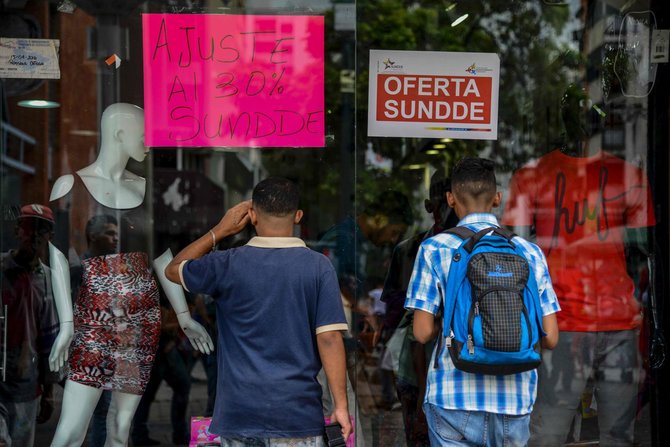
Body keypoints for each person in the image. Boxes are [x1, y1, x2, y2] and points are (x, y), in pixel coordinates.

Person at [46, 103, 213, 447]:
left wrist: (184, 317)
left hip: (141, 325)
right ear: (120, 134)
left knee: (121, 431)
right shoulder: (70, 184)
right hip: (93, 324)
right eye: (143, 135)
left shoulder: (147, 189)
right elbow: (59, 258)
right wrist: (66, 326)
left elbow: (162, 258)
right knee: (70, 431)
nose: (149, 144)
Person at [502, 85, 656, 446]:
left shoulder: (629, 178)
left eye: (593, 112)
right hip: (561, 322)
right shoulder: (532, 177)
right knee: (549, 435)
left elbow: (645, 255)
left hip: (619, 322)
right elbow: (515, 256)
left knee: (616, 435)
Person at [165, 177, 352, 446]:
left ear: (251, 215)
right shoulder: (318, 267)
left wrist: (220, 230)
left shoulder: (227, 264)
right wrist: (341, 406)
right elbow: (329, 338)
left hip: (238, 414)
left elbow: (173, 269)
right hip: (297, 415)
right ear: (298, 216)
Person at [405, 157, 560, 446]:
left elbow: (421, 332)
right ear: (497, 198)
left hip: (453, 396)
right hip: (514, 400)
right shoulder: (530, 252)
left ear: (450, 199)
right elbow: (550, 338)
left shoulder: (434, 248)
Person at [380, 170, 459, 447]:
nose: (444, 209)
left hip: (461, 374)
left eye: (447, 202)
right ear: (430, 205)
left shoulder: (480, 247)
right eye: (439, 201)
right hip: (417, 371)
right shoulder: (409, 250)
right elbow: (393, 316)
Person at [0, 204, 60, 447]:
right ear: (17, 230)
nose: (34, 234)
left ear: (49, 237)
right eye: (28, 227)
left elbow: (49, 338)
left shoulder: (47, 280)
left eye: (42, 230)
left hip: (25, 387)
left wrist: (48, 392)